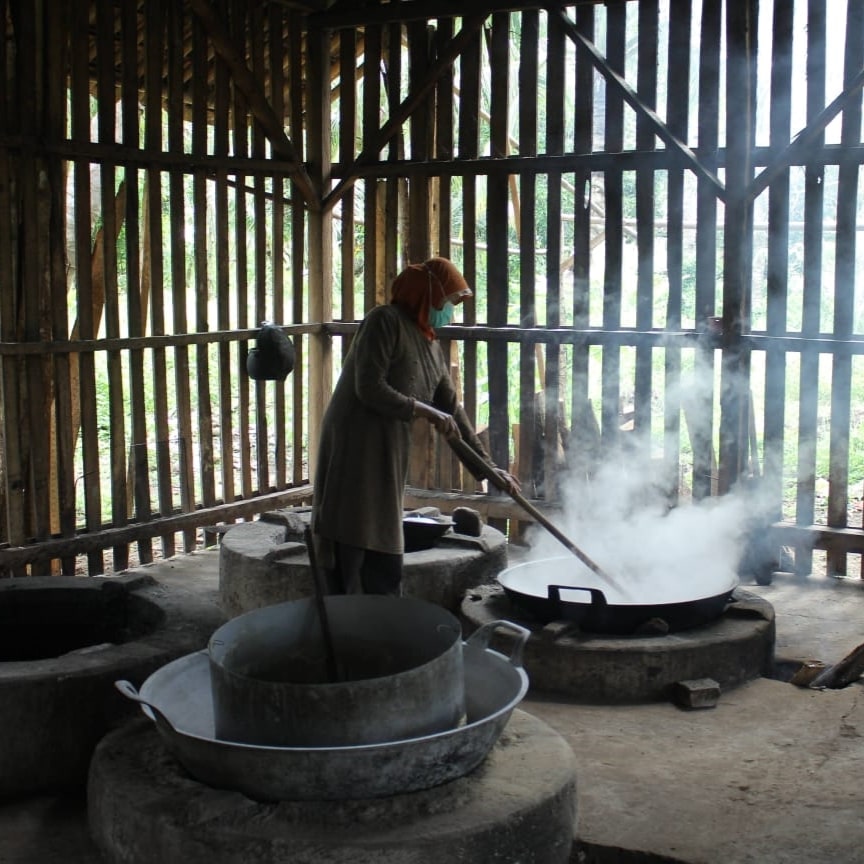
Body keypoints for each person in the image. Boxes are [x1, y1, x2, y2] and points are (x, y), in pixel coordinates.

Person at [311, 256, 520, 596]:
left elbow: (451, 410)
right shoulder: (384, 321)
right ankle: (342, 607)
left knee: (382, 529)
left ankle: (378, 605)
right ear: (428, 293)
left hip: (389, 445)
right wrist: (423, 410)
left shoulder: (429, 344)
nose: (450, 311)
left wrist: (489, 468)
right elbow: (369, 387)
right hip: (356, 441)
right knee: (350, 527)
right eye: (449, 301)